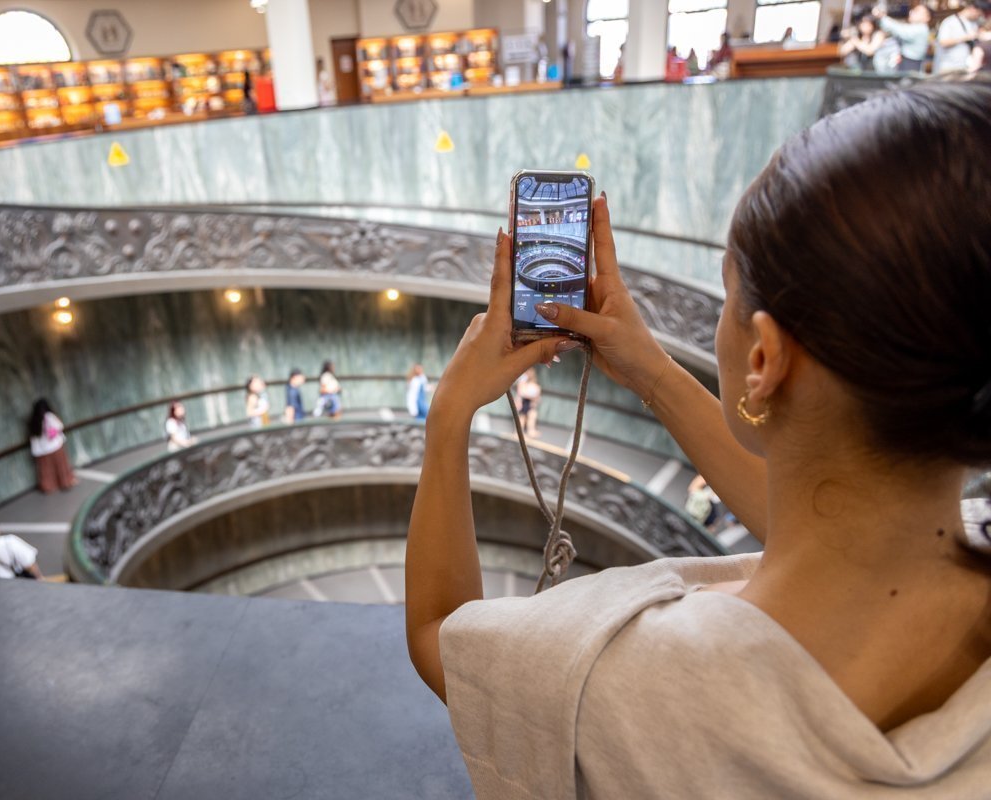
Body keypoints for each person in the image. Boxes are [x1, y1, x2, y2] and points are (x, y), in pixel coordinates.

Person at [406, 81, 991, 796]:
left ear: (763, 358)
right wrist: (650, 372)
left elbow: (440, 632)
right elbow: (836, 524)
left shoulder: (619, 676)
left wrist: (449, 415)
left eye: (729, 294)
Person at [28, 398, 76, 493]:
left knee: (46, 470)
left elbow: (34, 438)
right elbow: (59, 426)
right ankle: (65, 482)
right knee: (61, 467)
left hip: (42, 451)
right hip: (55, 446)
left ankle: (48, 487)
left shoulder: (33, 421)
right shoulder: (49, 416)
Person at [875, 4, 932, 71]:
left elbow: (900, 30)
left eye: (916, 11)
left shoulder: (921, 28)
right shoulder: (916, 27)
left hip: (910, 65)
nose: (911, 12)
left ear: (927, 17)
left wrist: (882, 17)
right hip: (907, 63)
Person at [935, 1, 983, 72]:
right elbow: (943, 43)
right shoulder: (950, 22)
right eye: (978, 14)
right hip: (949, 67)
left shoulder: (974, 23)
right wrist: (965, 38)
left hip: (966, 66)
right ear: (972, 9)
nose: (978, 17)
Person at [515, 368, 541, 437]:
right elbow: (521, 393)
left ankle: (531, 431)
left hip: (531, 402)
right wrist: (519, 401)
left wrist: (535, 400)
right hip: (524, 401)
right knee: (522, 418)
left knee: (532, 416)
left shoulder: (534, 384)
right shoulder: (523, 382)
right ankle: (519, 433)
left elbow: (537, 395)